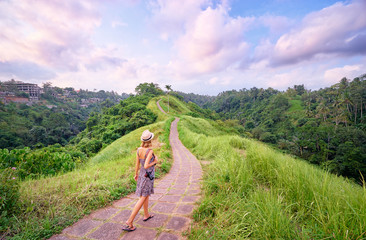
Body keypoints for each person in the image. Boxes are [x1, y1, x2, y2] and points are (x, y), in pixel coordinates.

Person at [123, 129, 158, 232]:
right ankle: (130, 221)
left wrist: (136, 174)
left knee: (146, 195)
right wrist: (154, 162)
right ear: (150, 140)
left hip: (142, 175)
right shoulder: (150, 151)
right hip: (148, 176)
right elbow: (147, 165)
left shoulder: (139, 150)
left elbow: (137, 164)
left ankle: (146, 215)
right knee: (143, 197)